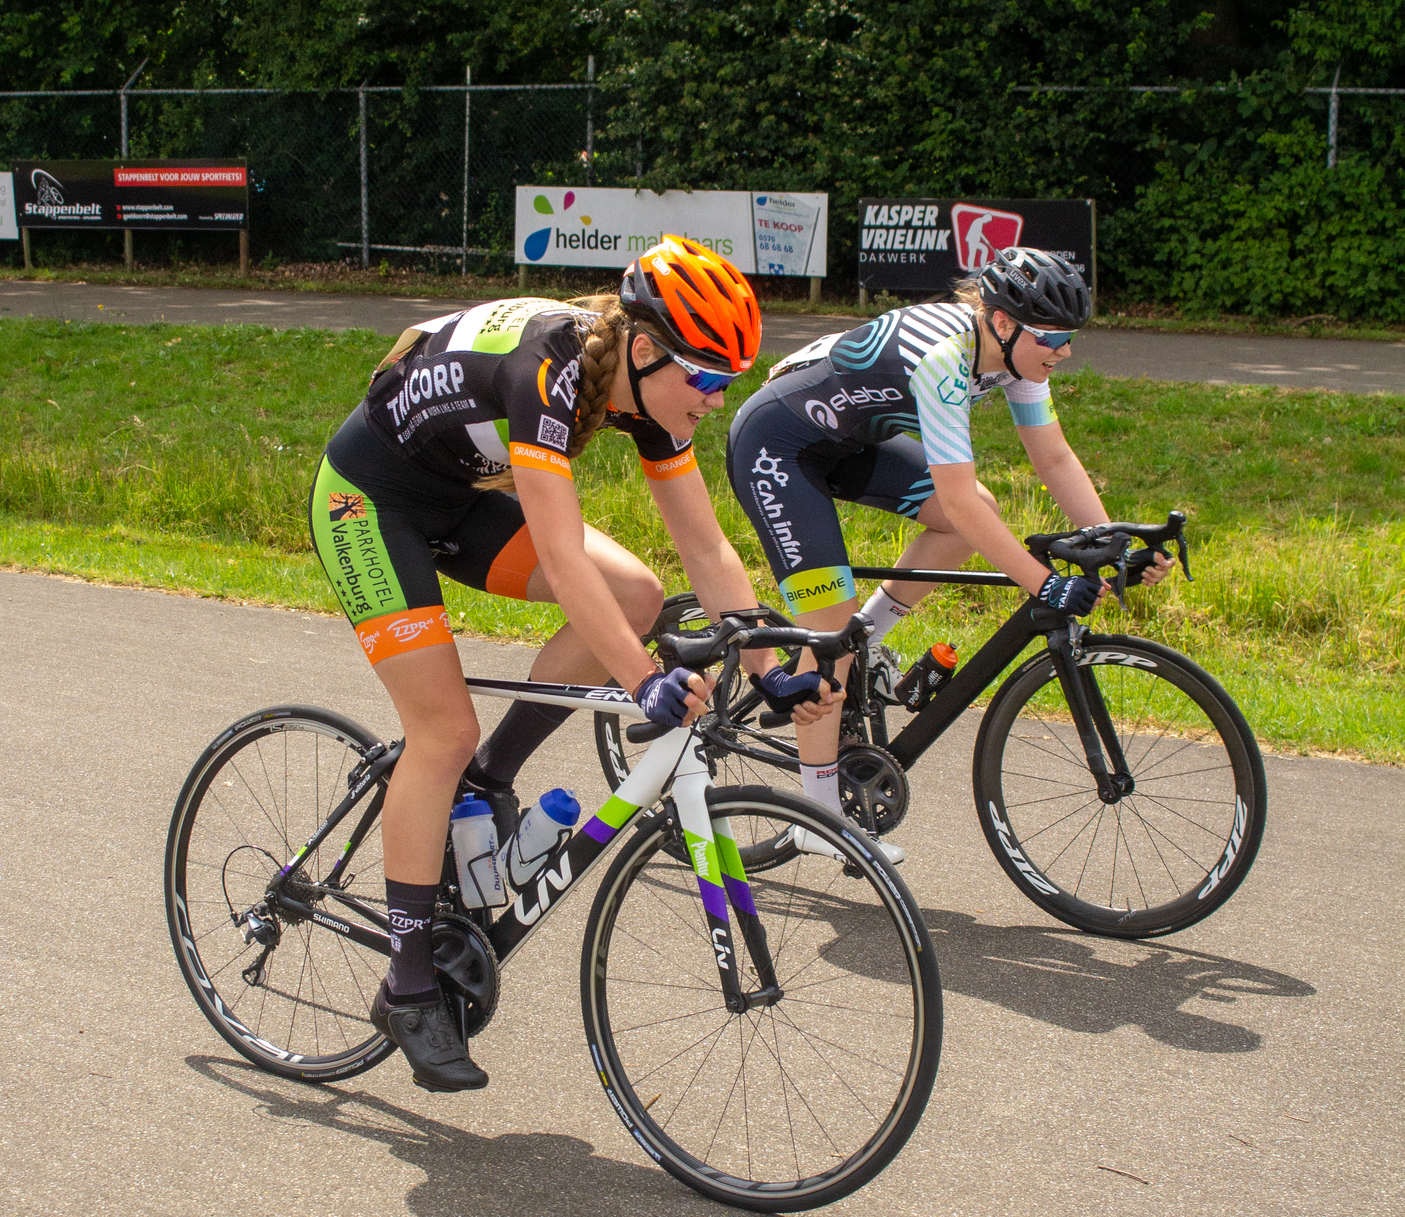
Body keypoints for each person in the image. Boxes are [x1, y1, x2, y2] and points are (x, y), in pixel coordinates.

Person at [309, 239, 808, 1094]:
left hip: (460, 499)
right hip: (368, 502)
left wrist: (767, 663)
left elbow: (705, 543)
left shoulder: (652, 394)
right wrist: (640, 678)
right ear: (646, 350)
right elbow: (561, 556)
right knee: (442, 727)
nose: (716, 401)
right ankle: (410, 980)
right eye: (706, 378)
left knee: (642, 594)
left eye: (728, 382)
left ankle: (487, 779)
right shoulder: (553, 368)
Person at [724, 249, 1170, 856]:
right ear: (1005, 323)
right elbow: (957, 501)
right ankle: (817, 819)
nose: (1064, 352)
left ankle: (866, 636)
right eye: (1055, 337)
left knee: (967, 520)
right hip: (778, 444)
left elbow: (1054, 458)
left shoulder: (1019, 359)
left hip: (847, 440)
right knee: (829, 623)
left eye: (1071, 338)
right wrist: (1043, 583)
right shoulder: (945, 358)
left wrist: (1111, 543)